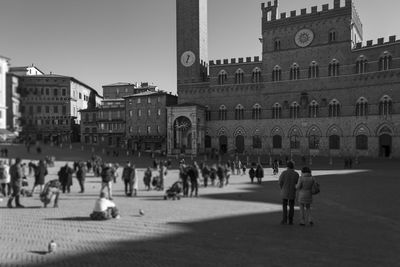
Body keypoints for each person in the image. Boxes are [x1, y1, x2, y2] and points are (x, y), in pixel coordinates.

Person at [278, 161, 299, 225]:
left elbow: (280, 182)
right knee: (291, 206)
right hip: (292, 192)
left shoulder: (284, 173)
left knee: (284, 206)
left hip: (285, 191)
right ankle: (290, 220)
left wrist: (282, 188)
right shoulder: (296, 174)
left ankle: (284, 220)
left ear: (287, 166)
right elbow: (297, 183)